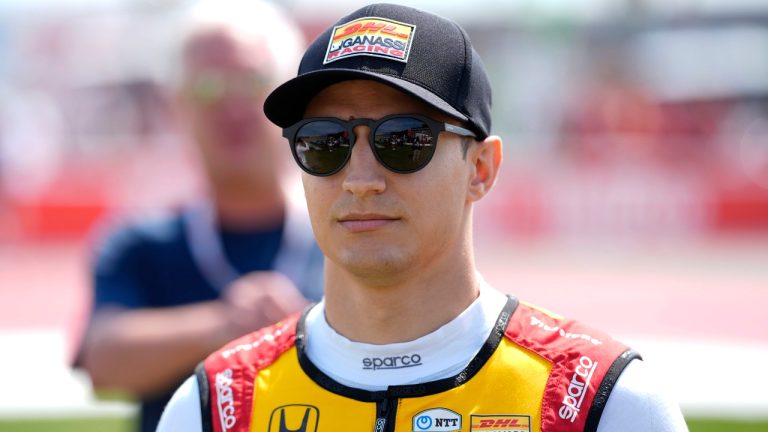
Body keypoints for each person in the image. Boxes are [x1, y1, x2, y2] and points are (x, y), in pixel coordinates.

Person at [157, 4, 688, 432]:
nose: (360, 179)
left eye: (403, 140)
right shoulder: (214, 407)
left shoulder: (606, 403)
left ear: (482, 168)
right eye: (324, 144)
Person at [76, 2, 323, 432]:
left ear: (290, 100)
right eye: (208, 87)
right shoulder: (139, 244)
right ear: (177, 106)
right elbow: (104, 361)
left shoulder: (348, 229)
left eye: (251, 82)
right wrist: (231, 324)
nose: (232, 106)